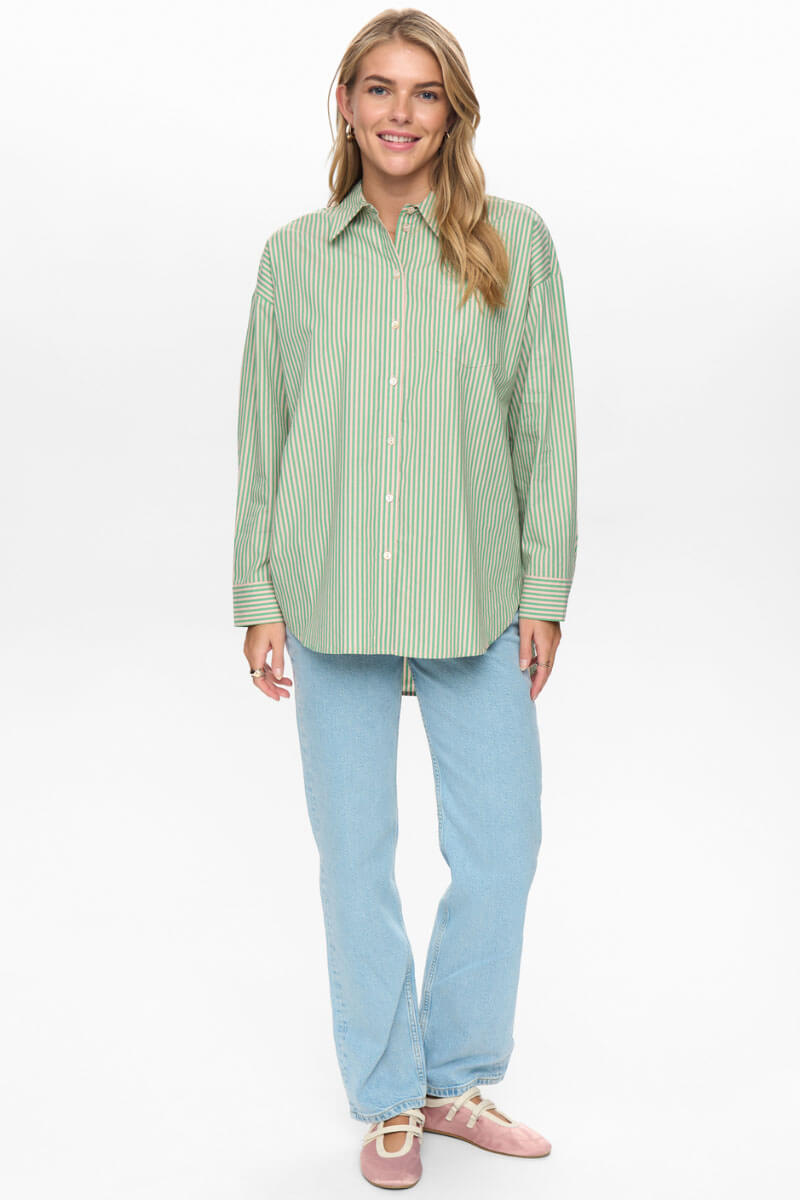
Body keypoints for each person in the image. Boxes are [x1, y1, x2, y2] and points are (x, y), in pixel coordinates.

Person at [232, 8, 578, 1189]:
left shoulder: (512, 243)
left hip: (475, 596)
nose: (398, 112)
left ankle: (454, 1077)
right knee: (354, 857)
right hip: (326, 593)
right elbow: (264, 436)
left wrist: (542, 588)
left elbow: (545, 426)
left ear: (451, 113)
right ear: (344, 105)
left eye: (422, 93)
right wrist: (257, 596)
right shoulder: (293, 257)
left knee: (501, 847)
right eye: (377, 89)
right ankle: (387, 1093)